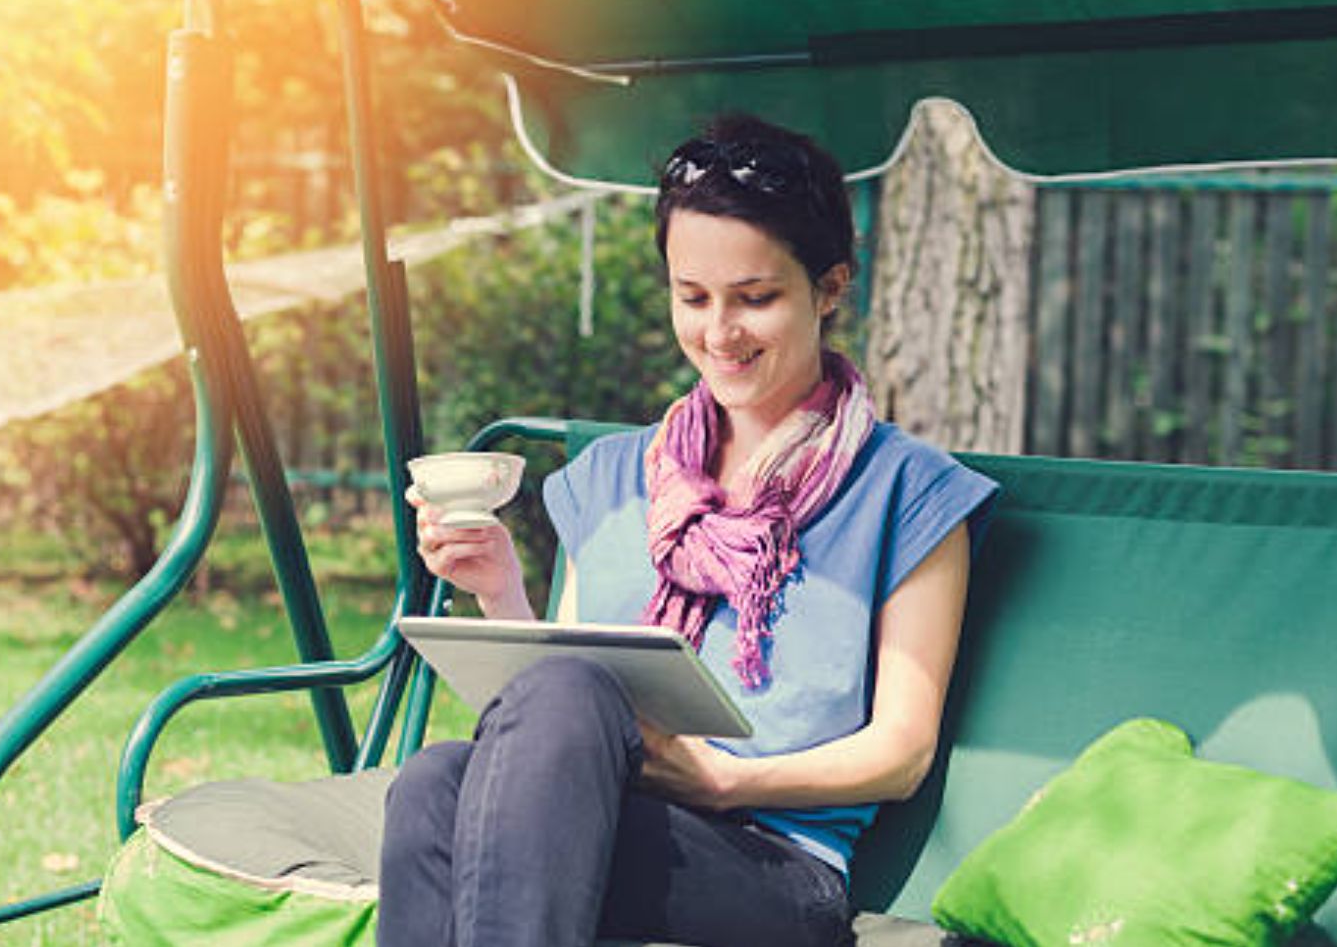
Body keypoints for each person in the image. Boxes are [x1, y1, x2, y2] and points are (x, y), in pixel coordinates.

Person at [378, 113, 999, 947]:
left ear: (830, 288)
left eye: (756, 298)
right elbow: (553, 723)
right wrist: (500, 590)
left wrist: (723, 780)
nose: (718, 333)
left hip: (776, 866)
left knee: (520, 737)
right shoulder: (609, 479)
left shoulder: (906, 491)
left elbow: (901, 749)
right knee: (430, 781)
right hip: (608, 807)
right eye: (692, 296)